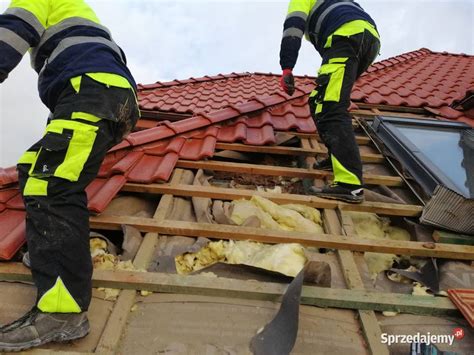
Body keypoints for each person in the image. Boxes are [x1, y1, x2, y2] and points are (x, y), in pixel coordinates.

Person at [0, 0, 139, 351]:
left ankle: (63, 313)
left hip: (90, 91)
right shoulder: (71, 9)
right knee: (34, 165)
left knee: (53, 184)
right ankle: (49, 249)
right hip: (100, 94)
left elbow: (11, 33)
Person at [279, 0, 380, 203]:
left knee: (331, 106)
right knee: (318, 99)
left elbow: (293, 27)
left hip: (347, 37)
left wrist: (287, 67)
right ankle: (336, 157)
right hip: (367, 40)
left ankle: (349, 185)